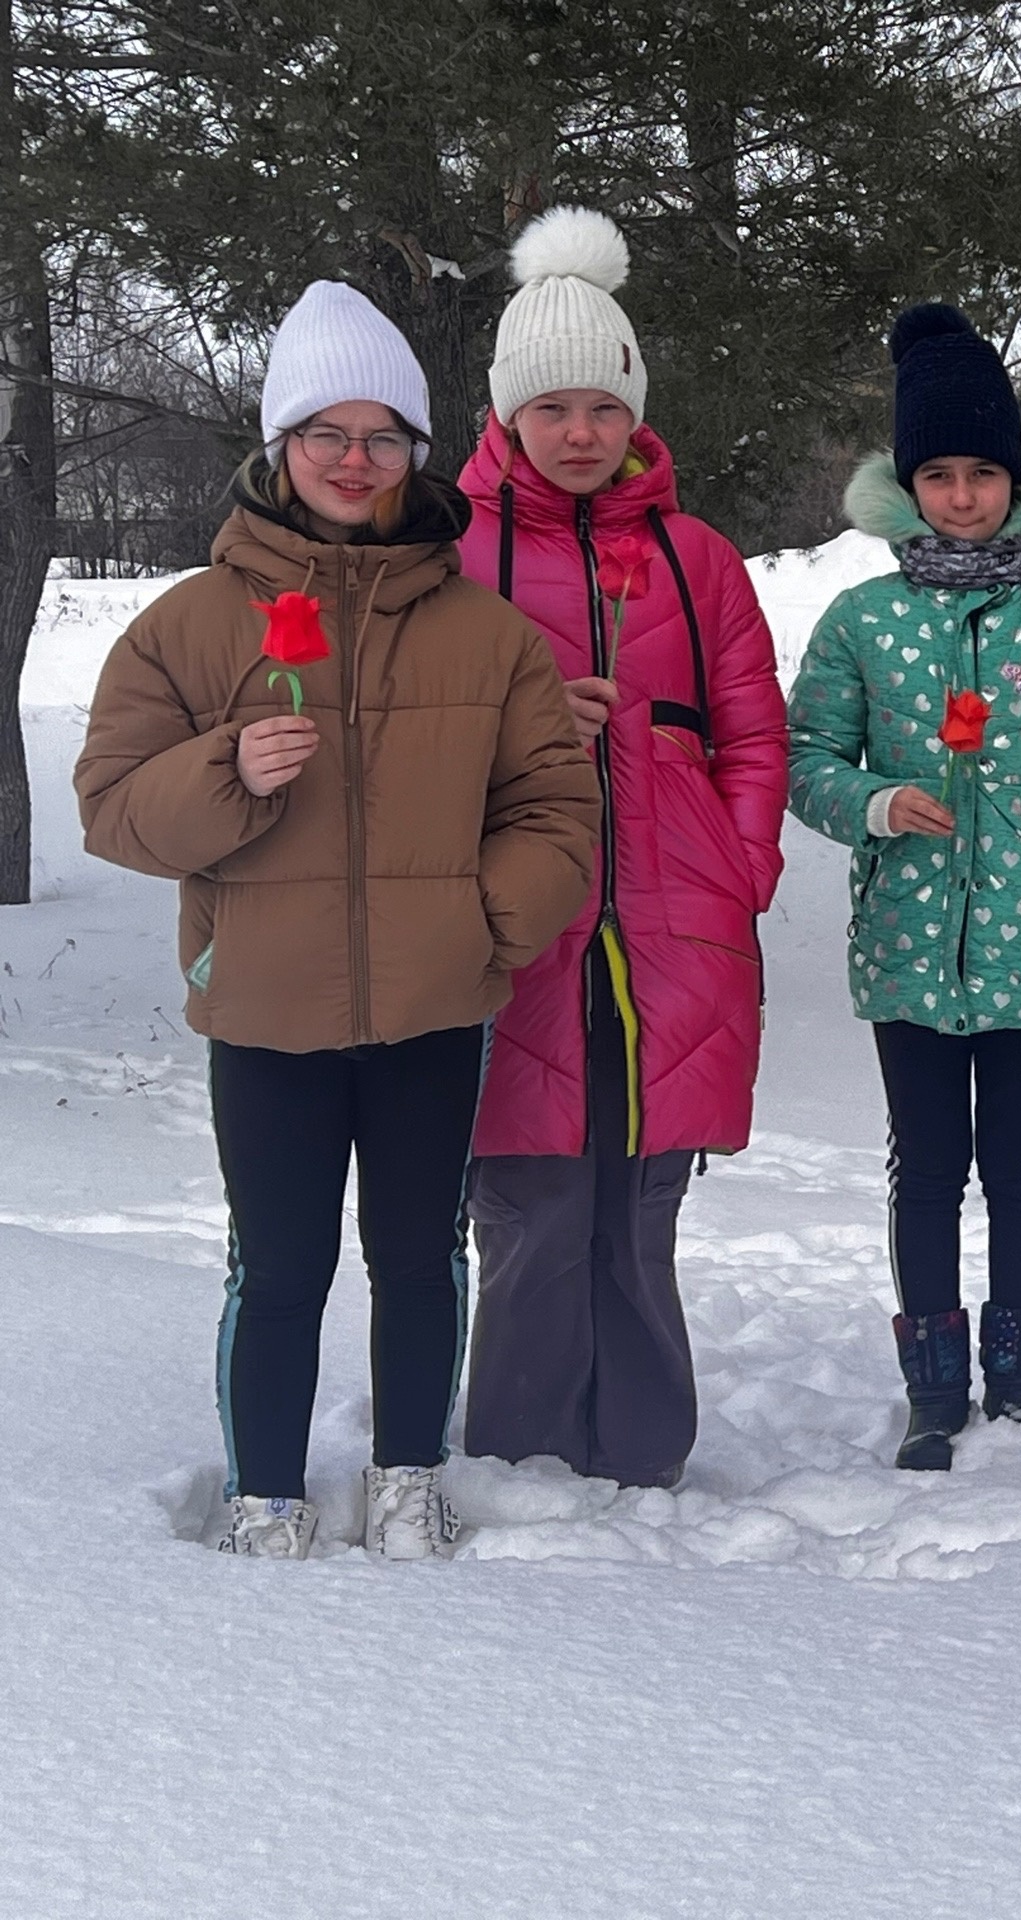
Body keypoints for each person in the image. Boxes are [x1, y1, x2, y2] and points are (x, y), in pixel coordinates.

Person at [74, 281, 599, 1560]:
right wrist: (226, 772)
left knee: (420, 1259)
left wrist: (487, 922)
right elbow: (110, 809)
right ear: (279, 446)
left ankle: (409, 1474)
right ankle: (266, 1493)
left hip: (434, 1003)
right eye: (327, 434)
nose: (355, 463)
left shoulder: (489, 635)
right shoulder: (191, 625)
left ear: (416, 453)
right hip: (263, 1003)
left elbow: (555, 805)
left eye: (382, 438)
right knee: (282, 1263)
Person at [788, 304, 1021, 1470]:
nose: (961, 496)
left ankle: (1020, 1372)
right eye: (938, 475)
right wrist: (878, 806)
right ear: (906, 486)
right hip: (907, 945)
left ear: (1016, 479)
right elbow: (806, 759)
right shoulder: (864, 617)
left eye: (981, 473)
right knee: (927, 1164)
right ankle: (933, 1380)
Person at [456, 207, 788, 1489]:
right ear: (507, 415)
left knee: (642, 1203)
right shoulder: (455, 550)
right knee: (533, 1203)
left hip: (669, 935)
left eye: (602, 406)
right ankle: (521, 1452)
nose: (580, 433)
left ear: (635, 408)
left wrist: (738, 872)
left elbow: (755, 731)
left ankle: (642, 1450)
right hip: (518, 925)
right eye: (552, 409)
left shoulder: (697, 557)